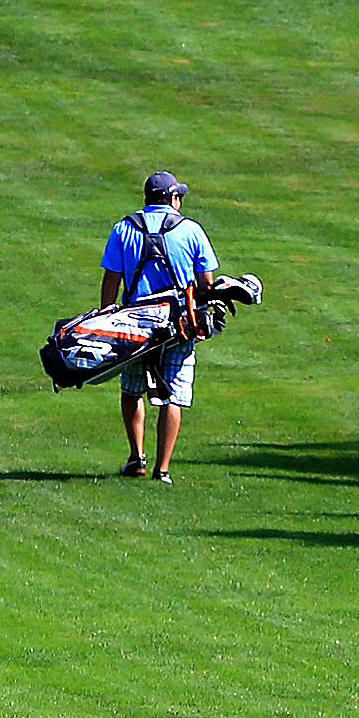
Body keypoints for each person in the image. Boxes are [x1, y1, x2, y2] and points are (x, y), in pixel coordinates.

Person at [99, 171, 219, 485]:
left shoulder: (123, 228)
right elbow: (206, 284)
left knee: (132, 389)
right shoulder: (191, 230)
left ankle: (136, 457)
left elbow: (111, 279)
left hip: (134, 326)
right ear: (172, 198)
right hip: (178, 323)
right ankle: (162, 469)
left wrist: (105, 318)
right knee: (175, 395)